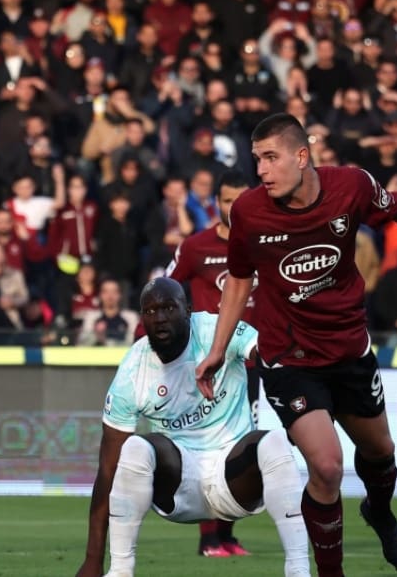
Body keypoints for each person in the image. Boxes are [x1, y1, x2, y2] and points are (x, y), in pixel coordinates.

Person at [196, 113, 397, 577]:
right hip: (289, 358)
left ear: (302, 157)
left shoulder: (351, 187)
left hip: (349, 351)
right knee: (326, 466)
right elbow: (239, 280)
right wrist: (218, 349)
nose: (260, 171)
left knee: (380, 455)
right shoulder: (249, 212)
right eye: (257, 159)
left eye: (270, 158)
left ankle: (379, 512)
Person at [76, 278, 309, 577]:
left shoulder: (217, 331)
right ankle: (120, 570)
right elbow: (107, 471)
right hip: (178, 488)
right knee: (134, 448)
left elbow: (269, 357)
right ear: (142, 317)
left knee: (274, 442)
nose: (160, 318)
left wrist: (297, 411)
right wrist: (92, 558)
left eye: (169, 308)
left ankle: (299, 571)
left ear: (188, 309)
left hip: (234, 478)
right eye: (150, 311)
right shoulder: (133, 370)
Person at [165, 168, 256, 557]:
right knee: (206, 449)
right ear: (216, 202)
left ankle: (229, 535)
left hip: (250, 365)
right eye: (227, 200)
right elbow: (166, 288)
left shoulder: (261, 245)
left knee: (240, 449)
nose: (233, 208)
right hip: (208, 365)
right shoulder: (196, 246)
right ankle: (207, 539)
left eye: (240, 200)